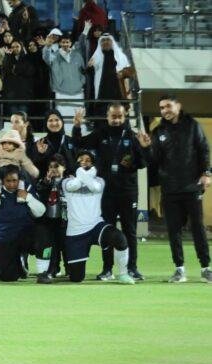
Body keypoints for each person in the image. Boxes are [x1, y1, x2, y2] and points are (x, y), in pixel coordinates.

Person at [72, 103, 149, 281]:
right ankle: (107, 269)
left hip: (128, 191)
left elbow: (143, 164)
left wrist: (143, 149)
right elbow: (79, 144)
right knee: (107, 230)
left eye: (119, 116)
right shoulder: (100, 133)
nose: (116, 120)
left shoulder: (132, 136)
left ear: (124, 116)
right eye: (113, 116)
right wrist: (77, 126)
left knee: (130, 230)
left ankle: (132, 268)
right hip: (106, 193)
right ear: (107, 116)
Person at [146, 95, 211, 283]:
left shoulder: (192, 126)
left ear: (178, 106)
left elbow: (204, 150)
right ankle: (179, 269)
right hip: (170, 189)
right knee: (173, 230)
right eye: (161, 108)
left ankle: (206, 268)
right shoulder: (158, 131)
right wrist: (146, 147)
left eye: (168, 106)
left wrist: (207, 173)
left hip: (192, 187)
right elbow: (154, 160)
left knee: (198, 228)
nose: (164, 110)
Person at [59, 151, 136, 284]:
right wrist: (83, 173)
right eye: (81, 159)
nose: (84, 162)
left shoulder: (99, 181)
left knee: (120, 238)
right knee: (77, 278)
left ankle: (123, 274)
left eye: (88, 160)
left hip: (96, 226)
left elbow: (94, 187)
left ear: (93, 164)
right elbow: (74, 186)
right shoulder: (67, 181)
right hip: (75, 233)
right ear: (76, 163)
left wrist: (86, 173)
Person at [0, 164, 46, 281]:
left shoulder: (26, 187)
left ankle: (44, 272)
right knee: (8, 277)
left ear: (19, 180)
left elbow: (40, 212)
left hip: (25, 234)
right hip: (3, 237)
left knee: (44, 236)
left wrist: (28, 197)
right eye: (8, 181)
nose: (11, 184)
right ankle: (18, 263)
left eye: (14, 180)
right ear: (2, 181)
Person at [42, 22, 91, 133]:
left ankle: (79, 138)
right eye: (63, 42)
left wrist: (86, 29)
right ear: (60, 43)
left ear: (70, 43)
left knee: (79, 120)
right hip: (61, 93)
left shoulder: (77, 55)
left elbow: (81, 43)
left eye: (67, 42)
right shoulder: (54, 56)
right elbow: (46, 57)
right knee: (63, 120)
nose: (65, 44)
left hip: (78, 93)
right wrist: (47, 46)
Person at [0, 129, 39, 206]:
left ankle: (20, 195)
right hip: (1, 169)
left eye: (9, 143)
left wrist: (34, 171)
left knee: (21, 177)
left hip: (14, 171)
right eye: (4, 143)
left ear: (16, 145)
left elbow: (27, 163)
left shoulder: (19, 153)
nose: (6, 145)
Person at [34, 154, 67, 283]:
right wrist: (46, 181)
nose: (53, 169)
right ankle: (52, 269)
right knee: (51, 245)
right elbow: (40, 192)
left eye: (56, 166)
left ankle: (69, 268)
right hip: (48, 219)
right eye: (51, 167)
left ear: (64, 167)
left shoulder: (69, 182)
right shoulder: (44, 182)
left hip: (64, 219)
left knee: (65, 244)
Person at [88, 34, 131, 120]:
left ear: (112, 42)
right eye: (103, 40)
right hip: (102, 91)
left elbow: (129, 73)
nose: (106, 42)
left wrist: (123, 74)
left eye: (108, 40)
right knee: (102, 116)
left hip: (118, 90)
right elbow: (89, 73)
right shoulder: (96, 56)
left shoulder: (121, 56)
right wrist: (89, 67)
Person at [0, 40, 34, 115]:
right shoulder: (8, 58)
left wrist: (16, 69)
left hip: (24, 93)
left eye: (17, 46)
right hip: (11, 94)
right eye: (13, 47)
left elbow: (29, 71)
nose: (15, 48)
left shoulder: (27, 58)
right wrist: (7, 56)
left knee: (23, 115)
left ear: (21, 47)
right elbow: (5, 70)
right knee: (14, 116)